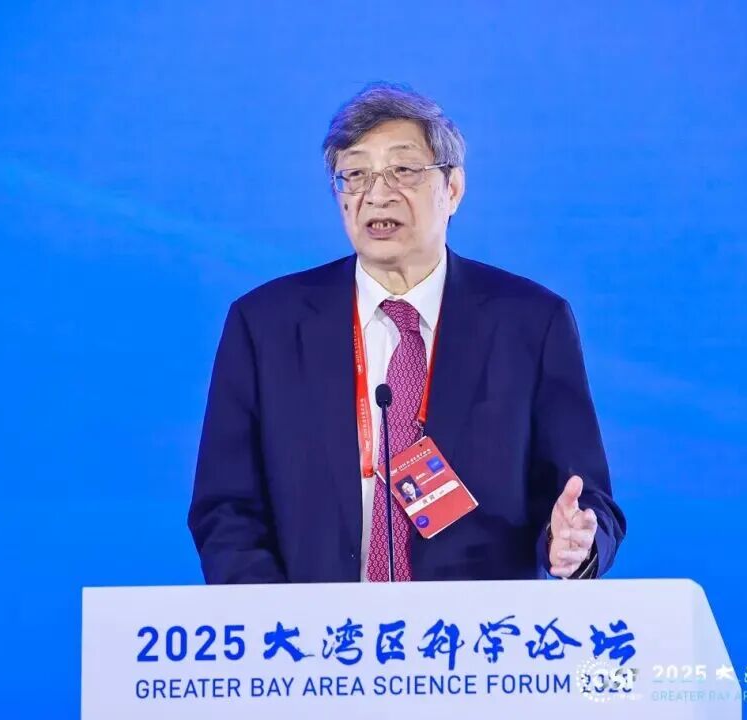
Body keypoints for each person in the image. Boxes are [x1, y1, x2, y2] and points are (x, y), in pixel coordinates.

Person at [189, 82, 625, 583]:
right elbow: (225, 507)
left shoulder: (530, 323)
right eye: (355, 174)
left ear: (452, 189)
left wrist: (574, 542)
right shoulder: (265, 325)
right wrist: (279, 617)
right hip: (314, 629)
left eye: (403, 170)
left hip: (472, 628)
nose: (377, 195)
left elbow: (585, 498)